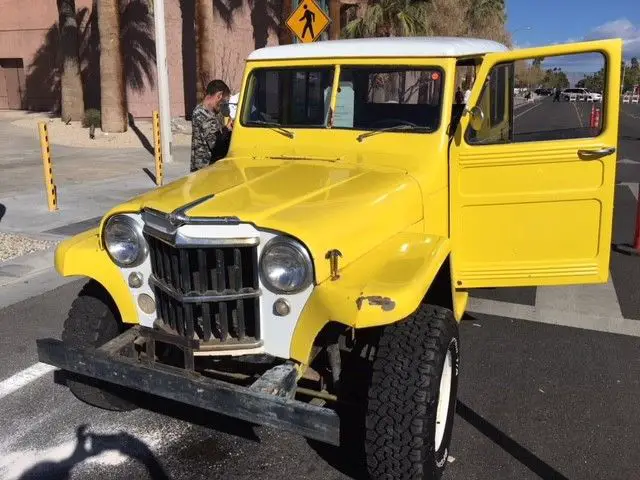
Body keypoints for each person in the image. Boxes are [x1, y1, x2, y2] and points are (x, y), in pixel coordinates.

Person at [190, 79, 233, 173]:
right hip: (204, 171)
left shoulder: (211, 113)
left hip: (208, 170)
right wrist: (228, 130)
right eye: (224, 101)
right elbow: (215, 144)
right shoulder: (202, 114)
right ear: (219, 96)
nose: (222, 105)